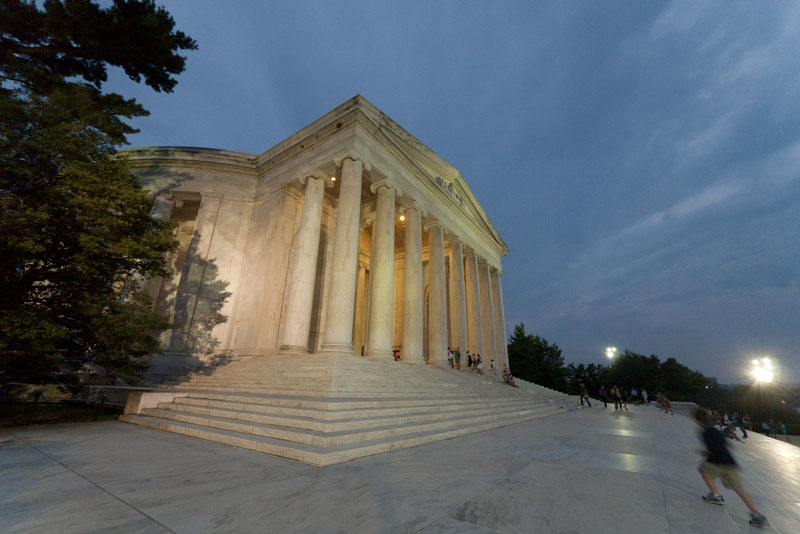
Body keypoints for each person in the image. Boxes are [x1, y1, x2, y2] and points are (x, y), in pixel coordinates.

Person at [693, 408, 767, 528]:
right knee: (739, 489)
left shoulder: (705, 432)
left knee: (703, 470)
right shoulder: (716, 430)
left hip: (716, 462)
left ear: (698, 421)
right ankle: (756, 514)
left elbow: (712, 450)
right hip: (729, 462)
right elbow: (725, 443)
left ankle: (716, 496)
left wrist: (703, 452)